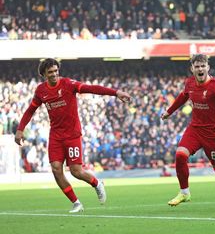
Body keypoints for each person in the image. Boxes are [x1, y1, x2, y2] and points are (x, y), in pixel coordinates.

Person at [14, 58, 131, 213]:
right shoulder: (41, 91)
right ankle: (76, 203)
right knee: (56, 169)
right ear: (44, 74)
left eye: (56, 71)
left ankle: (96, 183)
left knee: (76, 171)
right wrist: (20, 129)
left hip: (72, 135)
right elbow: (30, 110)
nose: (54, 74)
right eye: (50, 72)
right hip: (55, 135)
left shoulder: (68, 84)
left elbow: (92, 88)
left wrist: (116, 93)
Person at [161, 54, 215, 209]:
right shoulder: (189, 83)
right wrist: (169, 112)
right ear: (192, 69)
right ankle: (184, 192)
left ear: (208, 67)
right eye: (197, 66)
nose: (200, 69)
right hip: (195, 129)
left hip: (213, 133)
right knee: (180, 154)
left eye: (203, 66)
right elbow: (183, 97)